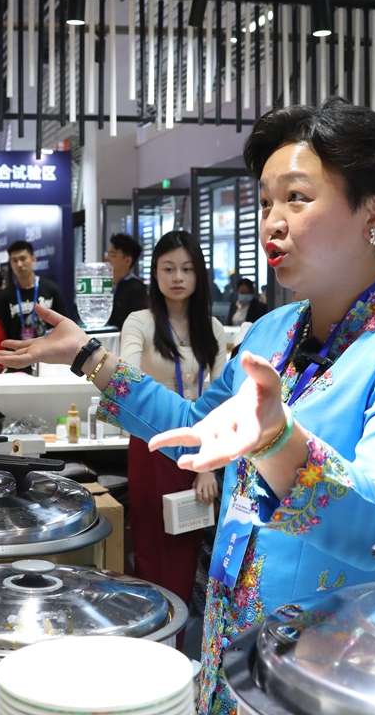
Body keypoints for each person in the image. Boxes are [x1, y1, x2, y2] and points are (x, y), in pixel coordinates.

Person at [0, 97, 375, 714]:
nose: (272, 220)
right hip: (234, 647)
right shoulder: (274, 331)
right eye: (266, 200)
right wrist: (88, 356)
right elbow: (196, 430)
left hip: (340, 675)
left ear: (374, 213)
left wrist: (278, 443)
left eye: (297, 197)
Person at [119, 231, 227, 608]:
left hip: (199, 449)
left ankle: (181, 650)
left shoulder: (211, 328)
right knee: (151, 553)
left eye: (186, 269)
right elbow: (126, 379)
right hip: (152, 446)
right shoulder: (140, 322)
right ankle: (156, 643)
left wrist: (207, 467)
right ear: (155, 273)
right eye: (168, 268)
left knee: (185, 555)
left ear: (199, 275)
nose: (177, 277)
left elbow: (222, 402)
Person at [105, 233, 148, 329]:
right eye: (108, 253)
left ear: (127, 261)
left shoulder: (136, 289)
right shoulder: (104, 285)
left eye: (112, 254)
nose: (107, 258)